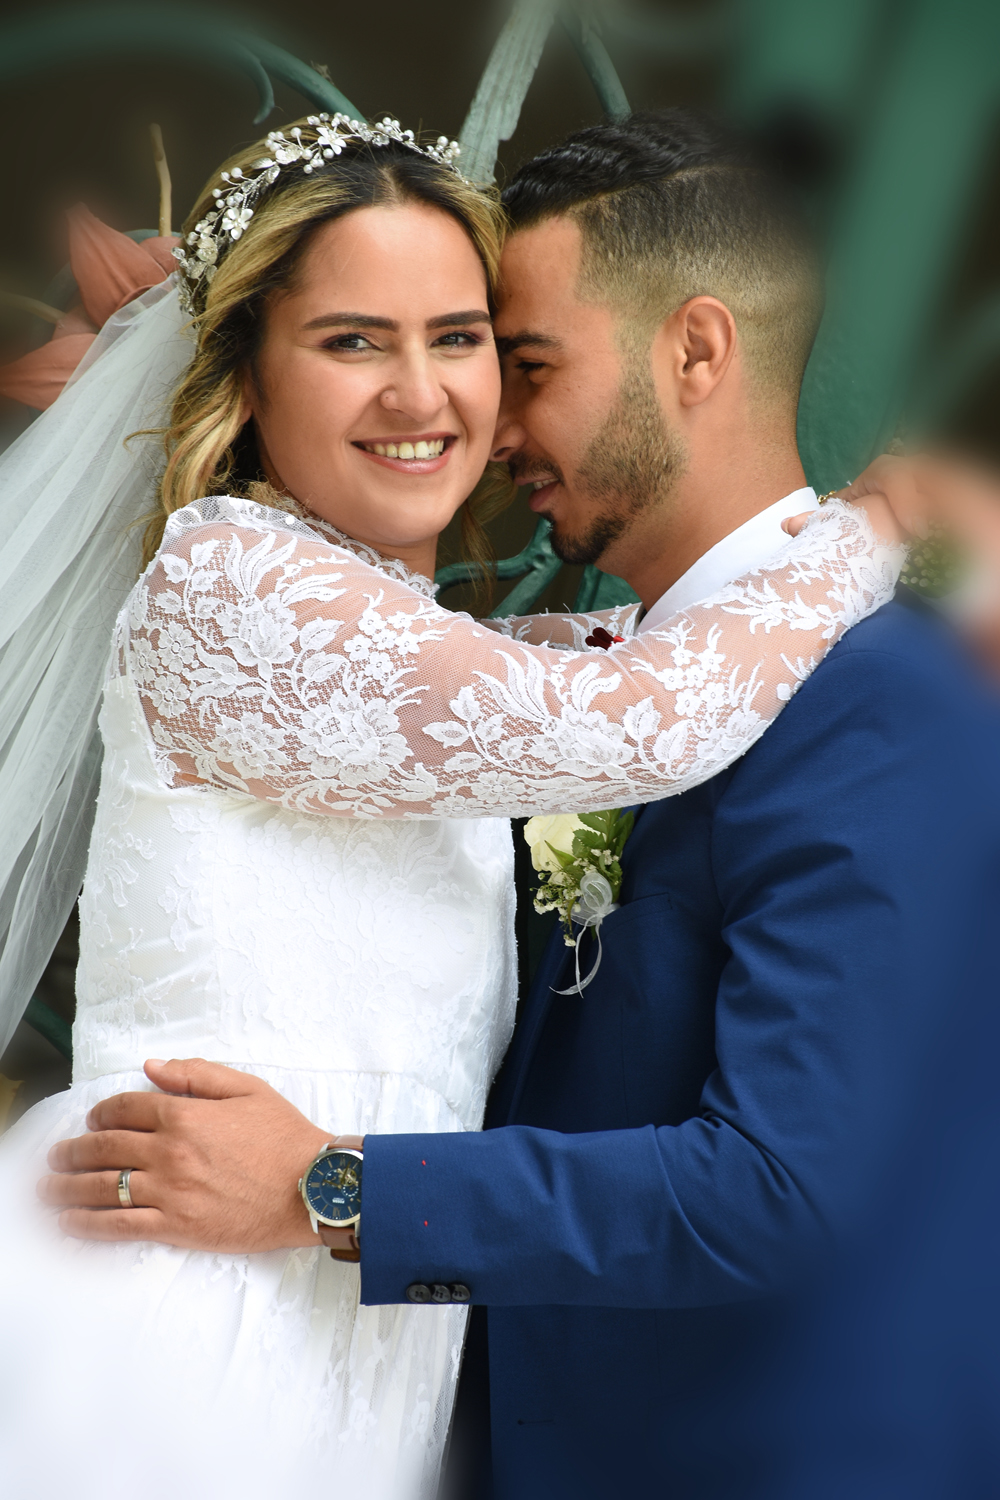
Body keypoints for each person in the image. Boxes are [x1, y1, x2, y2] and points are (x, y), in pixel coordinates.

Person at [0, 111, 896, 1499]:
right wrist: (862, 536)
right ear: (249, 374)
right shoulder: (230, 584)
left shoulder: (394, 641)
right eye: (352, 340)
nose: (420, 394)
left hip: (352, 1310)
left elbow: (579, 669)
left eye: (462, 337)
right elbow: (634, 716)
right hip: (183, 1287)